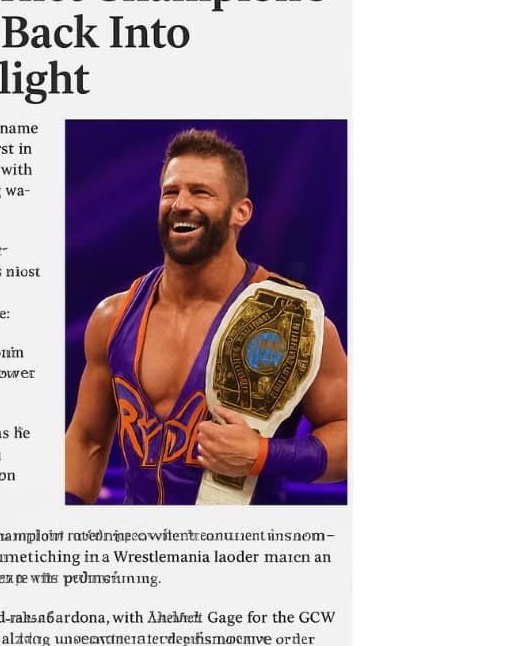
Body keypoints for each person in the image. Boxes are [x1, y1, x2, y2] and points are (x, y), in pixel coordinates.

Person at [64, 129, 347, 505]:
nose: (181, 203)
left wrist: (265, 455)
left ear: (240, 212)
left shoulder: (295, 320)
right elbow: (87, 439)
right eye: (171, 191)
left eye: (201, 192)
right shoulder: (112, 317)